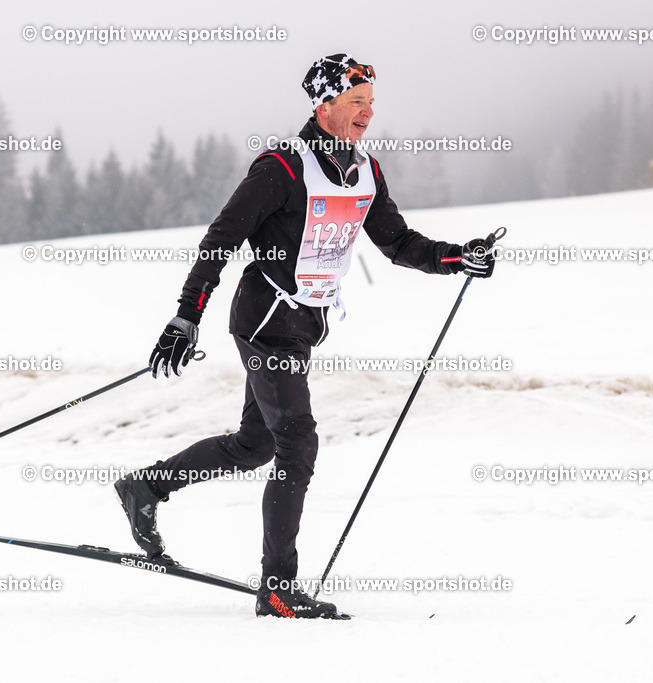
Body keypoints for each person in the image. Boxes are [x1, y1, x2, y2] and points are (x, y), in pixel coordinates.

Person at [115, 53, 496, 619]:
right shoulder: (282, 169)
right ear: (324, 107)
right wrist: (185, 317)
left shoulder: (365, 171)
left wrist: (455, 258)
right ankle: (278, 587)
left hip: (301, 328)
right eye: (356, 102)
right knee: (297, 439)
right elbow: (221, 241)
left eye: (370, 102)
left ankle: (146, 488)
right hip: (265, 321)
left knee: (258, 444)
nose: (367, 113)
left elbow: (397, 242)